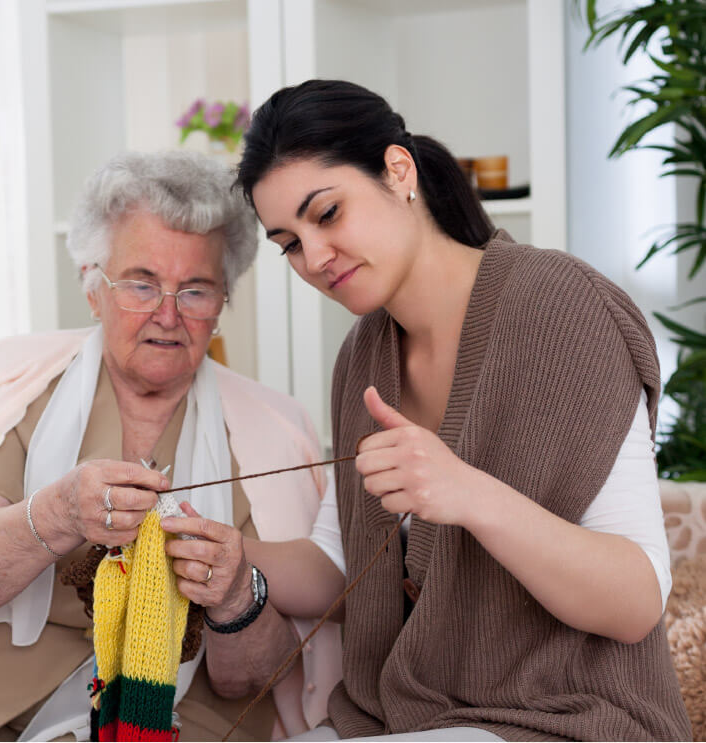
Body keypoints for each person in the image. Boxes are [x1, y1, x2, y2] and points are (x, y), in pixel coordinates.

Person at [0, 150, 344, 742]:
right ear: (93, 288)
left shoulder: (274, 431)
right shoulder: (13, 386)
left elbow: (253, 678)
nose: (168, 315)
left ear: (222, 302)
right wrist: (58, 513)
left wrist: (238, 594)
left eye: (195, 291)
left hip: (175, 703)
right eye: (141, 284)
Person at [228, 79, 692, 741]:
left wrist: (466, 491)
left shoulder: (562, 307)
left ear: (398, 171)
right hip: (402, 716)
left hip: (573, 719)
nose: (316, 257)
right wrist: (225, 555)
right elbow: (340, 564)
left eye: (327, 213)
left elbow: (636, 601)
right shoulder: (362, 358)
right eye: (290, 243)